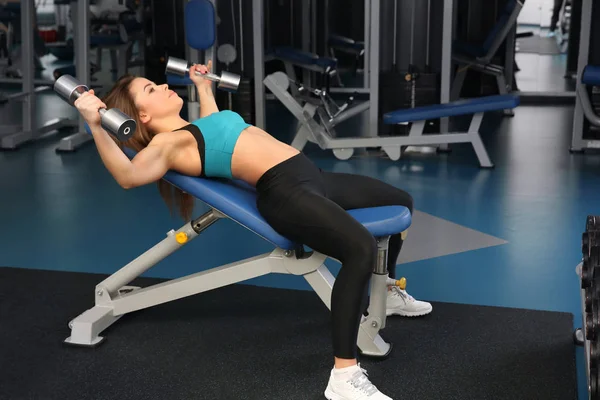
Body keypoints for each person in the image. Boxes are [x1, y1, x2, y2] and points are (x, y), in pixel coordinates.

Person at [73, 61, 432, 400]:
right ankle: (343, 376)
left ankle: (388, 292)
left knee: (401, 202)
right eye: (151, 89)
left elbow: (215, 130)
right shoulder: (168, 144)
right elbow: (128, 176)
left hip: (311, 177)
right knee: (360, 248)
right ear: (144, 116)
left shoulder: (191, 130)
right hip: (285, 192)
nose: (164, 85)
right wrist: (94, 123)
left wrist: (203, 86)